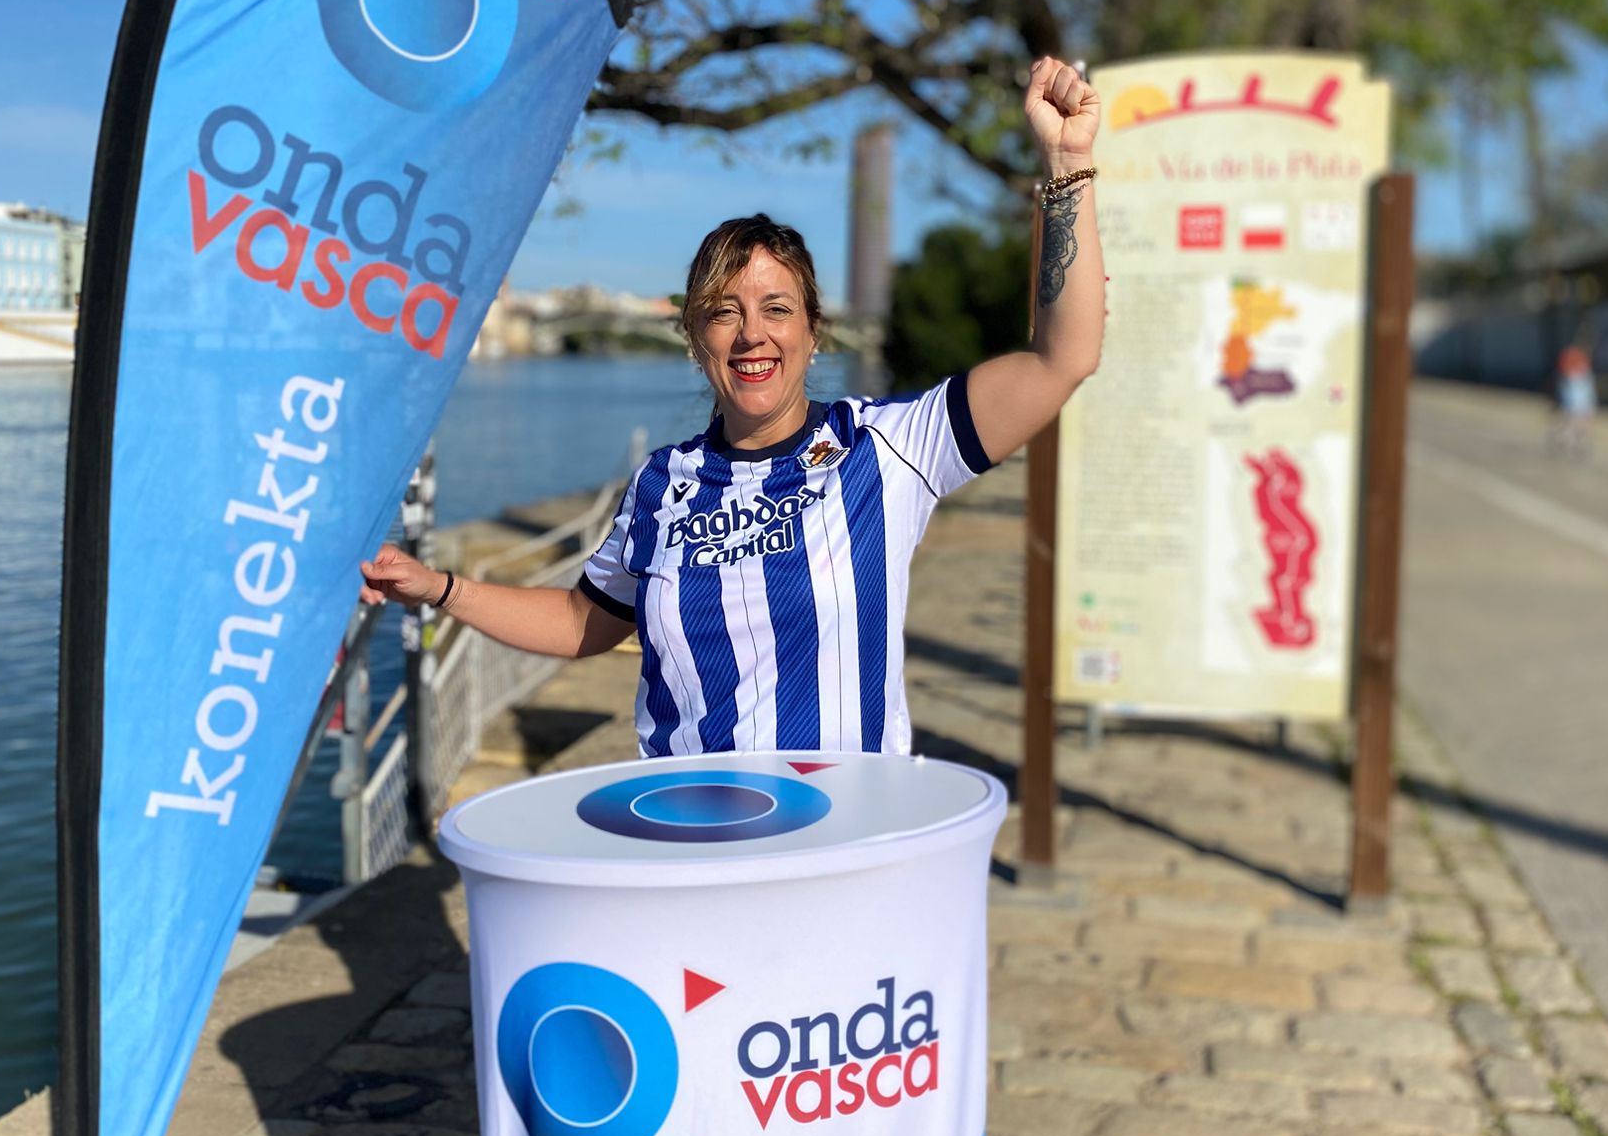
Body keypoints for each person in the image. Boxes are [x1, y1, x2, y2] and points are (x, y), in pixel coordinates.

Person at [361, 56, 1106, 755]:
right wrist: (440, 588)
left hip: (841, 830)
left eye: (777, 309)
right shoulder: (661, 483)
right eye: (724, 312)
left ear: (814, 333)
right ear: (696, 338)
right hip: (687, 830)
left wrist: (1066, 165)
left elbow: (1063, 358)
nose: (752, 334)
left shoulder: (888, 446)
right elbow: (583, 621)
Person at [1552, 339, 1597, 458]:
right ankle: (1567, 442)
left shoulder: (1582, 368)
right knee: (1572, 422)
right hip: (1575, 402)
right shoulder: (1572, 361)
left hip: (1580, 403)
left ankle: (1574, 443)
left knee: (1578, 423)